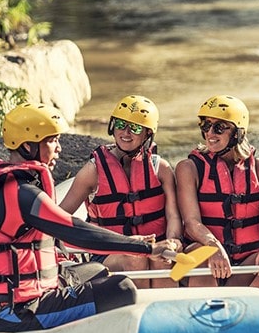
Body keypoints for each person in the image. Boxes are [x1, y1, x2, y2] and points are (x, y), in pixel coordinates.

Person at [0, 102, 180, 333]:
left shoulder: (16, 185)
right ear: (28, 146)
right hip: (14, 312)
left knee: (97, 271)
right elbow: (73, 229)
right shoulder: (22, 194)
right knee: (122, 288)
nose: (58, 148)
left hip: (18, 297)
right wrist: (144, 248)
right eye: (52, 140)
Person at [59, 95, 182, 288]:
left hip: (157, 248)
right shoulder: (93, 172)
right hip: (109, 253)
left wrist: (173, 242)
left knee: (160, 258)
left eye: (135, 128)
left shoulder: (161, 169)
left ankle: (164, 312)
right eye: (120, 124)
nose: (126, 132)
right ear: (112, 126)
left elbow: (173, 215)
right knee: (134, 257)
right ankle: (135, 309)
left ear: (147, 134)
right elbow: (59, 216)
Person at [175, 95, 259, 294]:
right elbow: (191, 222)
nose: (210, 133)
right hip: (206, 255)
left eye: (219, 127)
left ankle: (250, 315)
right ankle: (207, 316)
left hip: (245, 261)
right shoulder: (188, 168)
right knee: (203, 254)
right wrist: (214, 246)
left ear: (238, 133)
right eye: (206, 126)